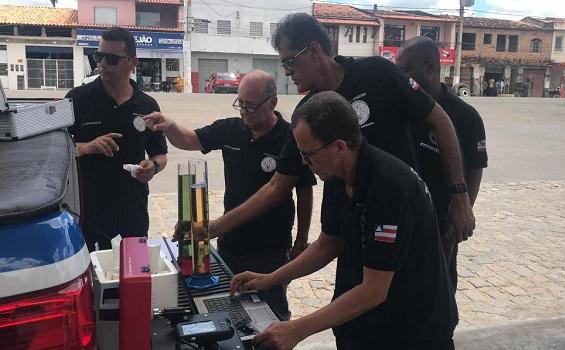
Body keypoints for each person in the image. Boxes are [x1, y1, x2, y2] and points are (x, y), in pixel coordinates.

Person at [208, 13, 475, 251]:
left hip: (404, 222)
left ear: (314, 49)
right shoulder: (307, 113)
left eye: (290, 61)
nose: (287, 72)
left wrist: (459, 195)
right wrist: (217, 227)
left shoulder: (378, 74)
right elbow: (278, 185)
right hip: (350, 232)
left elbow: (440, 121)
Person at [230, 92, 458, 350]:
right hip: (364, 325)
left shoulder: (390, 188)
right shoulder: (337, 173)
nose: (304, 163)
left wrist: (297, 329)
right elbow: (328, 244)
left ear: (339, 147)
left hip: (413, 330)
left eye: (308, 154)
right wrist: (271, 278)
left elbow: (374, 290)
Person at [143, 70, 316, 320]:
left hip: (271, 248)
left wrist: (300, 241)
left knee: (272, 315)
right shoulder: (231, 129)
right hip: (230, 243)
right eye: (241, 104)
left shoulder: (290, 138)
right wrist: (169, 125)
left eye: (251, 107)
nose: (244, 112)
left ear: (273, 102)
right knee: (231, 310)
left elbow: (304, 191)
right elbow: (190, 140)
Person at [396, 36, 488, 290]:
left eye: (405, 71)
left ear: (430, 67)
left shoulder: (465, 116)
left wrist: (461, 210)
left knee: (437, 292)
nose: (400, 78)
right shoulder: (402, 109)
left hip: (441, 223)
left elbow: (475, 168)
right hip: (403, 219)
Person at [66, 27, 168, 251]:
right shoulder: (77, 99)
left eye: (111, 59)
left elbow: (160, 154)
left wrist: (153, 167)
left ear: (133, 62)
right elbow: (55, 150)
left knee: (136, 276)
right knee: (93, 280)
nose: (102, 64)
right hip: (89, 212)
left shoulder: (147, 106)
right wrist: (86, 147)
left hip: (133, 211)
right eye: (98, 56)